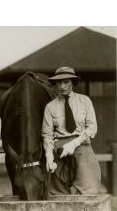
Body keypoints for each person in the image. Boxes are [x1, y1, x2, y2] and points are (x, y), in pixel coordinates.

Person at [42, 66, 105, 194]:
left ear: (73, 83)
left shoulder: (84, 101)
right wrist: (49, 155)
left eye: (66, 82)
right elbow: (47, 134)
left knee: (89, 187)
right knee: (56, 191)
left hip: (81, 145)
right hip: (58, 149)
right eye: (59, 82)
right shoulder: (50, 107)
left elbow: (92, 127)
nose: (62, 86)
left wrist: (74, 143)